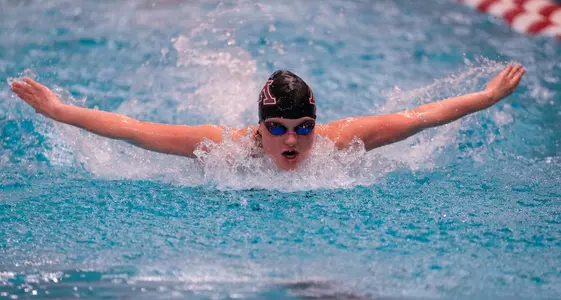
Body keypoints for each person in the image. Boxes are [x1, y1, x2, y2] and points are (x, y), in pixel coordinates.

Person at [10, 64, 526, 170]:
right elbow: (138, 131)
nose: (292, 141)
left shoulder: (339, 143)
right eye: (276, 128)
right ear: (258, 127)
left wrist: (484, 97)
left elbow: (418, 117)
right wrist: (60, 111)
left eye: (303, 128)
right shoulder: (226, 147)